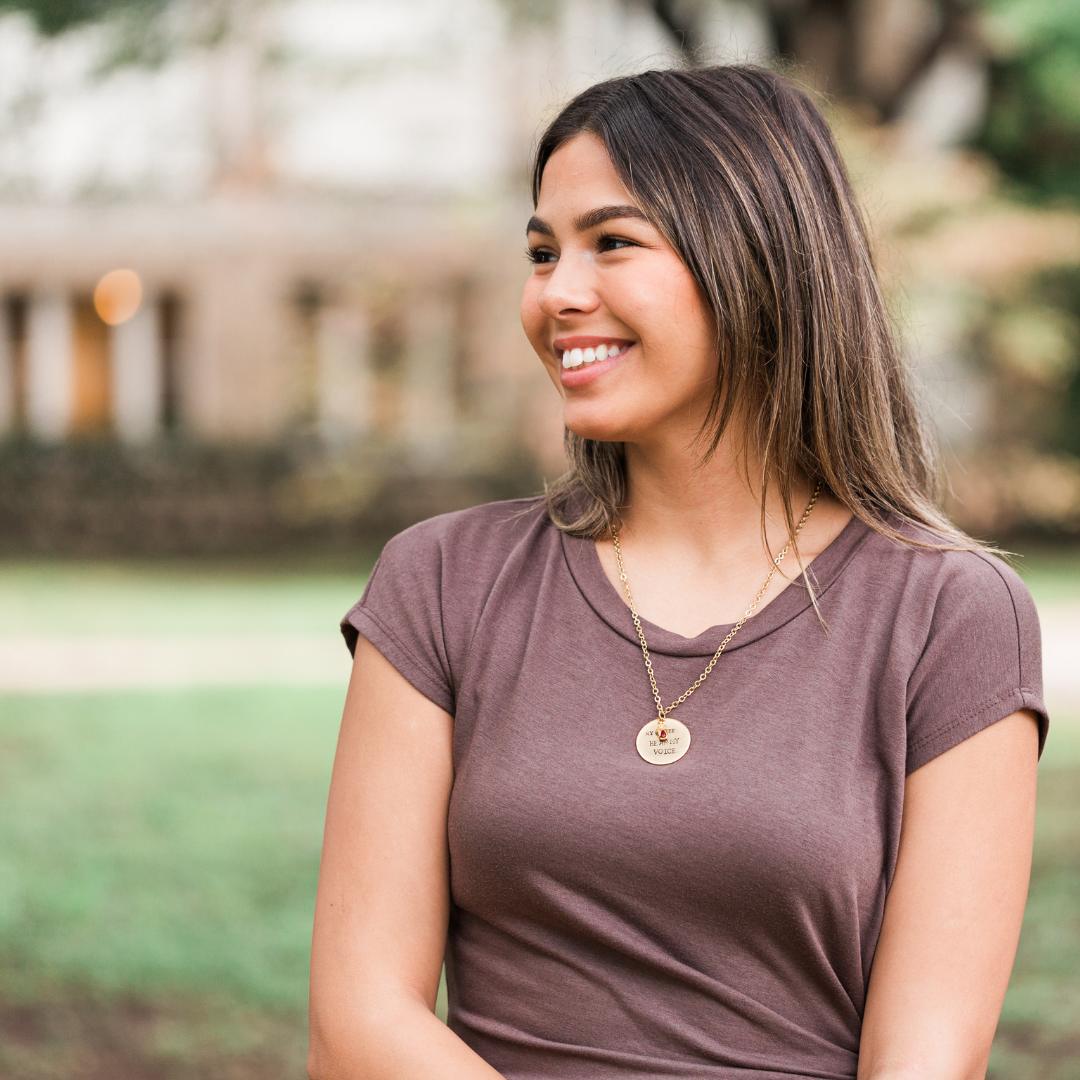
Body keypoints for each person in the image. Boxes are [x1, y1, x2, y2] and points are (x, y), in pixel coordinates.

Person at [307, 62, 1050, 1079]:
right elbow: (357, 1023)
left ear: (757, 259)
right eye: (541, 252)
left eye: (612, 243)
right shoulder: (443, 583)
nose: (557, 293)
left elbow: (928, 1057)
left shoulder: (949, 614)